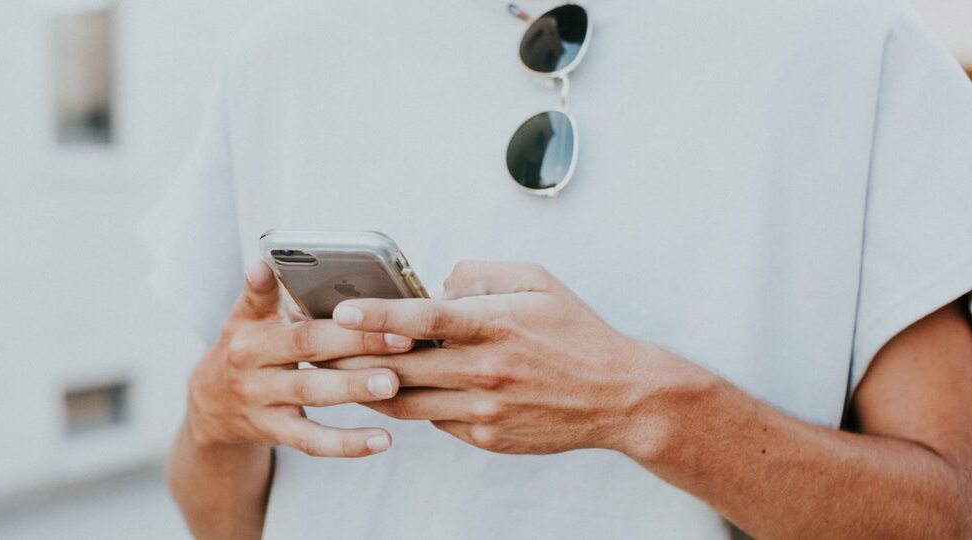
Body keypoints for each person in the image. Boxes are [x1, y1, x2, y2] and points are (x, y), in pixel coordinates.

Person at [140, 0, 972, 538]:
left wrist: (644, 408)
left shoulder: (858, 46)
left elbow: (948, 511)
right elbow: (219, 523)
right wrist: (216, 415)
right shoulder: (281, 51)